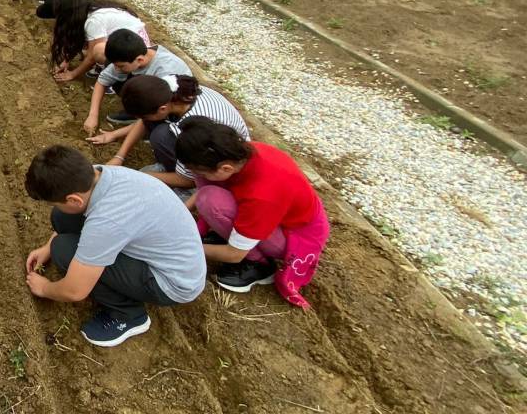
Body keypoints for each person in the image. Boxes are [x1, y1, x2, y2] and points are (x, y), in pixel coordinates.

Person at [22, 145, 204, 347]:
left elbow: (75, 290)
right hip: (169, 251)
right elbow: (77, 215)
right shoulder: (99, 174)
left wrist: (45, 288)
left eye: (53, 202)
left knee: (63, 250)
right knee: (62, 217)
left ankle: (129, 315)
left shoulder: (107, 220)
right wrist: (47, 247)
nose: (53, 206)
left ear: (74, 198)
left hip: (172, 282)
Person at [175, 118, 330, 309]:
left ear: (225, 168)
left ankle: (259, 265)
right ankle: (235, 236)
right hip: (275, 215)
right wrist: (180, 213)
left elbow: (234, 254)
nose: (198, 176)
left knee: (210, 200)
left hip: (295, 233)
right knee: (208, 195)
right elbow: (203, 187)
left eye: (201, 172)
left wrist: (183, 247)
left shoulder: (262, 195)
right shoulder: (242, 153)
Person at [90, 75, 249, 191]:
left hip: (218, 161)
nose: (142, 120)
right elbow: (145, 120)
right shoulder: (172, 91)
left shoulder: (191, 127)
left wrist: (139, 176)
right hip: (213, 145)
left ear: (163, 109)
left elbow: (189, 179)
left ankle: (175, 175)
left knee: (160, 136)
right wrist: (119, 155)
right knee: (158, 130)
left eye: (144, 116)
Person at [83, 29, 190, 134]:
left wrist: (114, 134)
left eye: (120, 66)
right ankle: (137, 114)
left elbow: (164, 107)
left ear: (140, 60)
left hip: (171, 105)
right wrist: (93, 115)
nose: (116, 68)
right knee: (112, 69)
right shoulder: (131, 56)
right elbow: (102, 81)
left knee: (158, 130)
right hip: (156, 97)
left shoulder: (165, 70)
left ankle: (149, 123)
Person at [47, 0, 148, 83]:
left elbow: (92, 57)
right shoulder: (89, 9)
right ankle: (108, 67)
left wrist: (72, 74)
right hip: (130, 41)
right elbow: (79, 40)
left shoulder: (94, 21)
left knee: (98, 52)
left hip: (134, 51)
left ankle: (116, 78)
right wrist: (66, 61)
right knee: (89, 47)